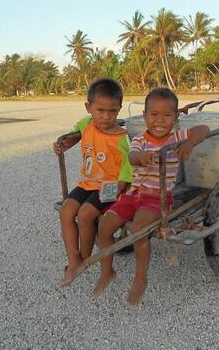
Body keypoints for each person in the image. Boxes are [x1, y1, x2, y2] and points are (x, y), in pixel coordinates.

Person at [93, 87, 209, 305]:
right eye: (154, 114)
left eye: (167, 115)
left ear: (176, 118)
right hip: (132, 194)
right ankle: (107, 271)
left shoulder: (176, 137)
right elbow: (133, 156)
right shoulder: (139, 139)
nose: (160, 120)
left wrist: (190, 143)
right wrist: (141, 157)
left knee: (138, 229)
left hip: (158, 197)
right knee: (104, 227)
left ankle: (140, 278)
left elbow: (203, 128)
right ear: (145, 116)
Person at [53, 78, 132, 286]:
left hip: (110, 186)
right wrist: (64, 145)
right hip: (88, 182)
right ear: (88, 108)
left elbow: (128, 166)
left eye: (113, 111)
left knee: (85, 215)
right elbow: (75, 136)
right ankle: (74, 261)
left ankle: (84, 259)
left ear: (119, 109)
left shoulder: (122, 137)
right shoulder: (86, 124)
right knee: (66, 210)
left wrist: (120, 188)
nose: (106, 117)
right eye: (100, 110)